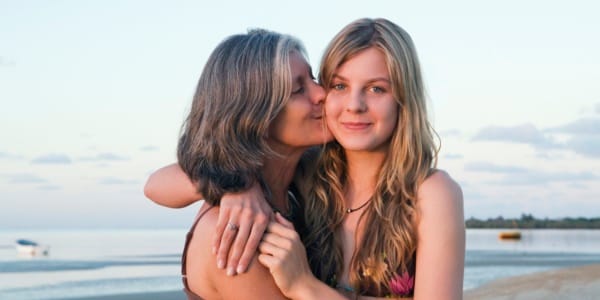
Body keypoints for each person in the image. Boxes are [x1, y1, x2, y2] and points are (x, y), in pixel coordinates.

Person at [257, 18, 465, 299]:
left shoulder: (430, 194)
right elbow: (177, 179)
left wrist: (303, 286)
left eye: (376, 89)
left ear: (403, 99)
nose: (355, 105)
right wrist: (239, 189)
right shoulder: (306, 174)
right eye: (340, 86)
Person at [145, 28, 333, 299]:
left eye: (313, 79)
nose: (322, 93)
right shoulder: (236, 236)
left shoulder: (297, 189)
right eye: (298, 89)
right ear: (254, 116)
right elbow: (153, 185)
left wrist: (237, 184)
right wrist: (235, 185)